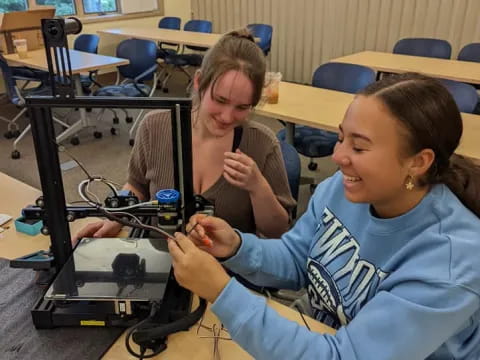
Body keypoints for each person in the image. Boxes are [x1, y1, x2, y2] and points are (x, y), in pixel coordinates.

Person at [169, 73, 480, 360]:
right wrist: (236, 247)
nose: (338, 157)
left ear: (418, 162)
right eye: (341, 137)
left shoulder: (450, 263)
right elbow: (297, 258)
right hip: (324, 333)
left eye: (358, 148)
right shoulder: (345, 190)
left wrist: (223, 293)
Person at [73, 29, 295, 243]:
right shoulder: (155, 127)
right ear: (199, 82)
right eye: (220, 100)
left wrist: (258, 187)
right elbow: (136, 185)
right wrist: (116, 217)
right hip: (161, 258)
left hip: (225, 273)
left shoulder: (262, 143)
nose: (227, 117)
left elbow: (277, 231)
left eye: (242, 107)